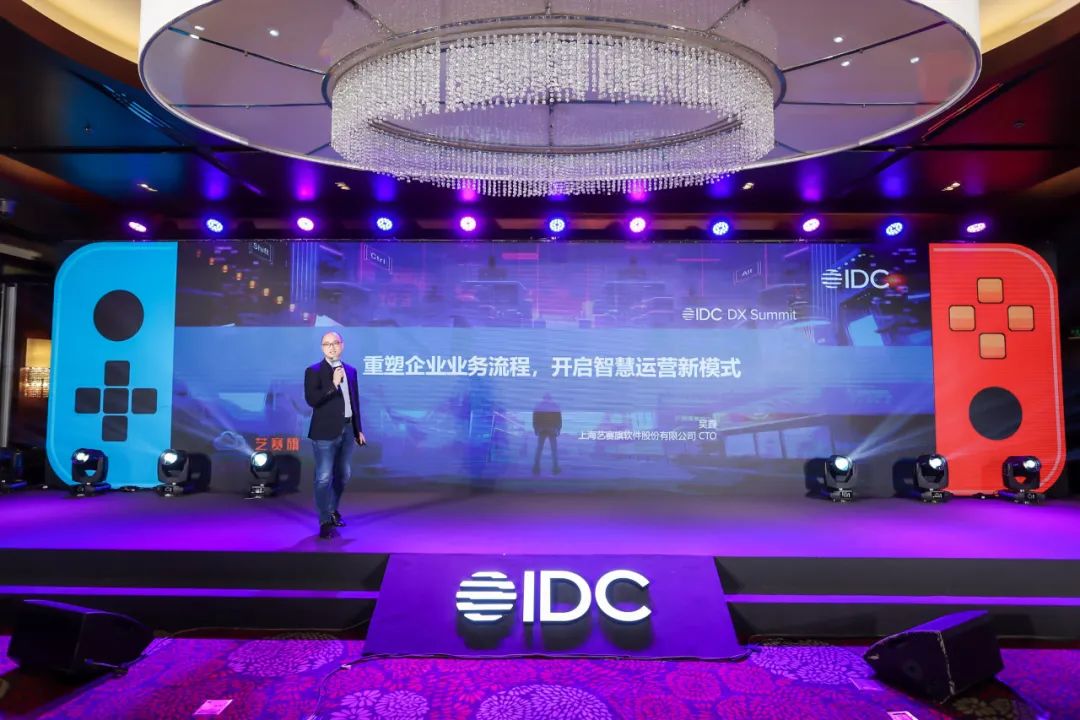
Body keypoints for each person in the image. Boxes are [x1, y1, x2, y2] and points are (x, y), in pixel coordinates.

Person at [304, 331, 366, 538]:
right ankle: (324, 520)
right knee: (323, 477)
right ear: (322, 347)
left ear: (342, 345)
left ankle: (332, 510)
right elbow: (312, 400)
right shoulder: (313, 371)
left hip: (347, 429)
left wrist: (358, 429)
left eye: (335, 343)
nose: (331, 347)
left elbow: (354, 402)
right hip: (324, 432)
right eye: (326, 344)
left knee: (343, 474)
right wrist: (333, 384)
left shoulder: (351, 371)